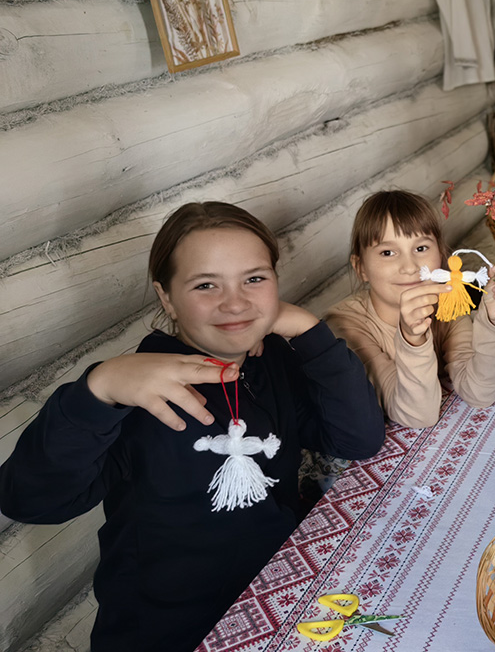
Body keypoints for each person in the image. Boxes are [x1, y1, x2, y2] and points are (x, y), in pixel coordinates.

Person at [0, 203, 385, 652]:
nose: (236, 302)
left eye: (255, 279)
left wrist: (308, 330)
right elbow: (29, 500)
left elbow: (357, 439)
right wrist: (98, 390)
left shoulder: (272, 360)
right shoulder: (135, 392)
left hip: (275, 598)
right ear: (166, 298)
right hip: (167, 630)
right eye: (206, 285)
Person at [324, 190, 495, 429]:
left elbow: (481, 392)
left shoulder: (447, 304)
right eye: (387, 252)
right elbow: (418, 415)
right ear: (360, 267)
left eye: (421, 248)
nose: (409, 267)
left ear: (442, 256)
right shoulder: (345, 325)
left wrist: (493, 321)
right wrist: (412, 339)